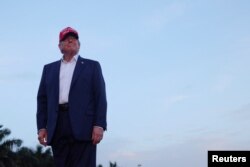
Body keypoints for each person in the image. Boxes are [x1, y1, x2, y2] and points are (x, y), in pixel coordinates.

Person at [36, 27, 107, 167]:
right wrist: (41, 127)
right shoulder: (48, 69)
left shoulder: (92, 66)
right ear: (59, 46)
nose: (70, 40)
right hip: (57, 125)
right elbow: (42, 100)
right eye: (66, 38)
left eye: (74, 38)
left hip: (84, 126)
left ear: (79, 45)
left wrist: (99, 125)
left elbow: (100, 97)